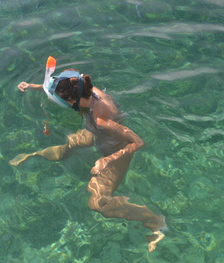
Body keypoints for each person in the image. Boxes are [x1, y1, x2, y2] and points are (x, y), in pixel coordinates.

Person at [10, 56, 166, 252]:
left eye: (62, 100)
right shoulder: (86, 88)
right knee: (70, 144)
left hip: (114, 149)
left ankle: (155, 221)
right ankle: (37, 154)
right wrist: (33, 86)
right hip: (96, 134)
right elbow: (59, 88)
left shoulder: (101, 120)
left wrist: (106, 160)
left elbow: (138, 142)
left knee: (98, 202)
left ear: (72, 100)